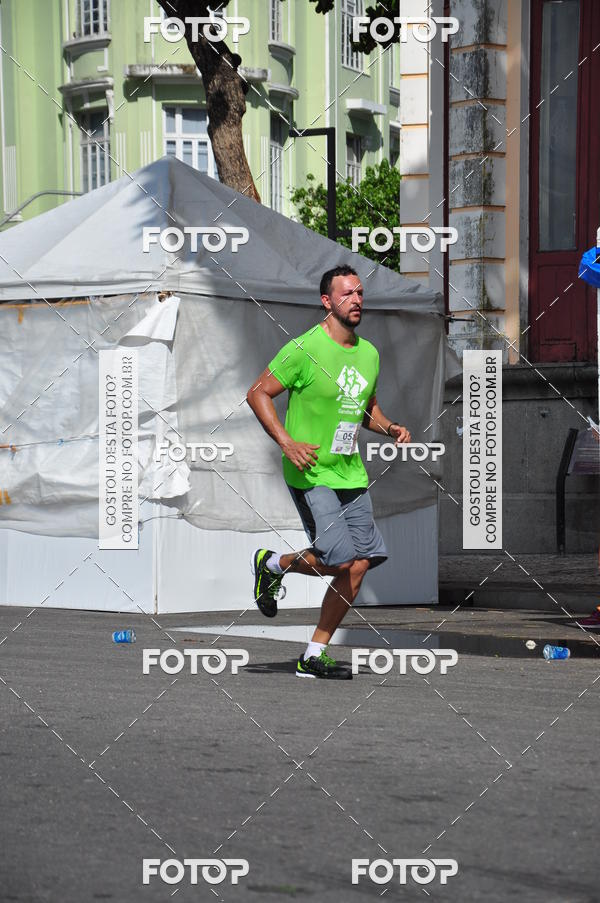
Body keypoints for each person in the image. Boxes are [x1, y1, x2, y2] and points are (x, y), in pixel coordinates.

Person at [246, 265, 411, 679]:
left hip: (350, 473)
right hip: (311, 471)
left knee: (360, 563)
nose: (356, 300)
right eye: (346, 294)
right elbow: (257, 393)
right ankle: (272, 564)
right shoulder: (304, 350)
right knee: (338, 558)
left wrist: (388, 426)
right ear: (327, 302)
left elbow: (365, 407)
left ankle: (313, 655)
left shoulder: (369, 353)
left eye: (359, 293)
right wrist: (287, 442)